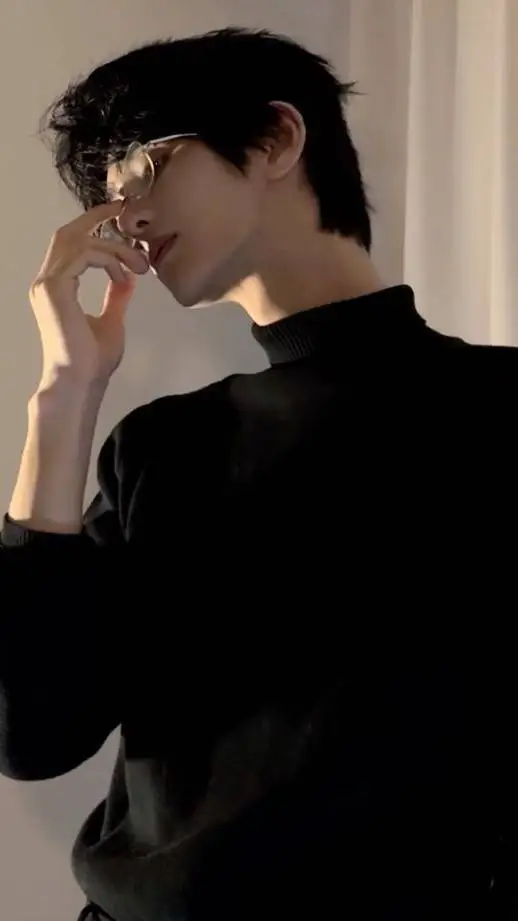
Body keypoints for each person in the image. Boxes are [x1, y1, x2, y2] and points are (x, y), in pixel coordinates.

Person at [0, 25, 517, 921]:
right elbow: (31, 733)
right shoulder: (162, 446)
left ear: (277, 137)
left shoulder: (497, 410)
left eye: (143, 170)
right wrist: (65, 393)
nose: (125, 218)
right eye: (109, 200)